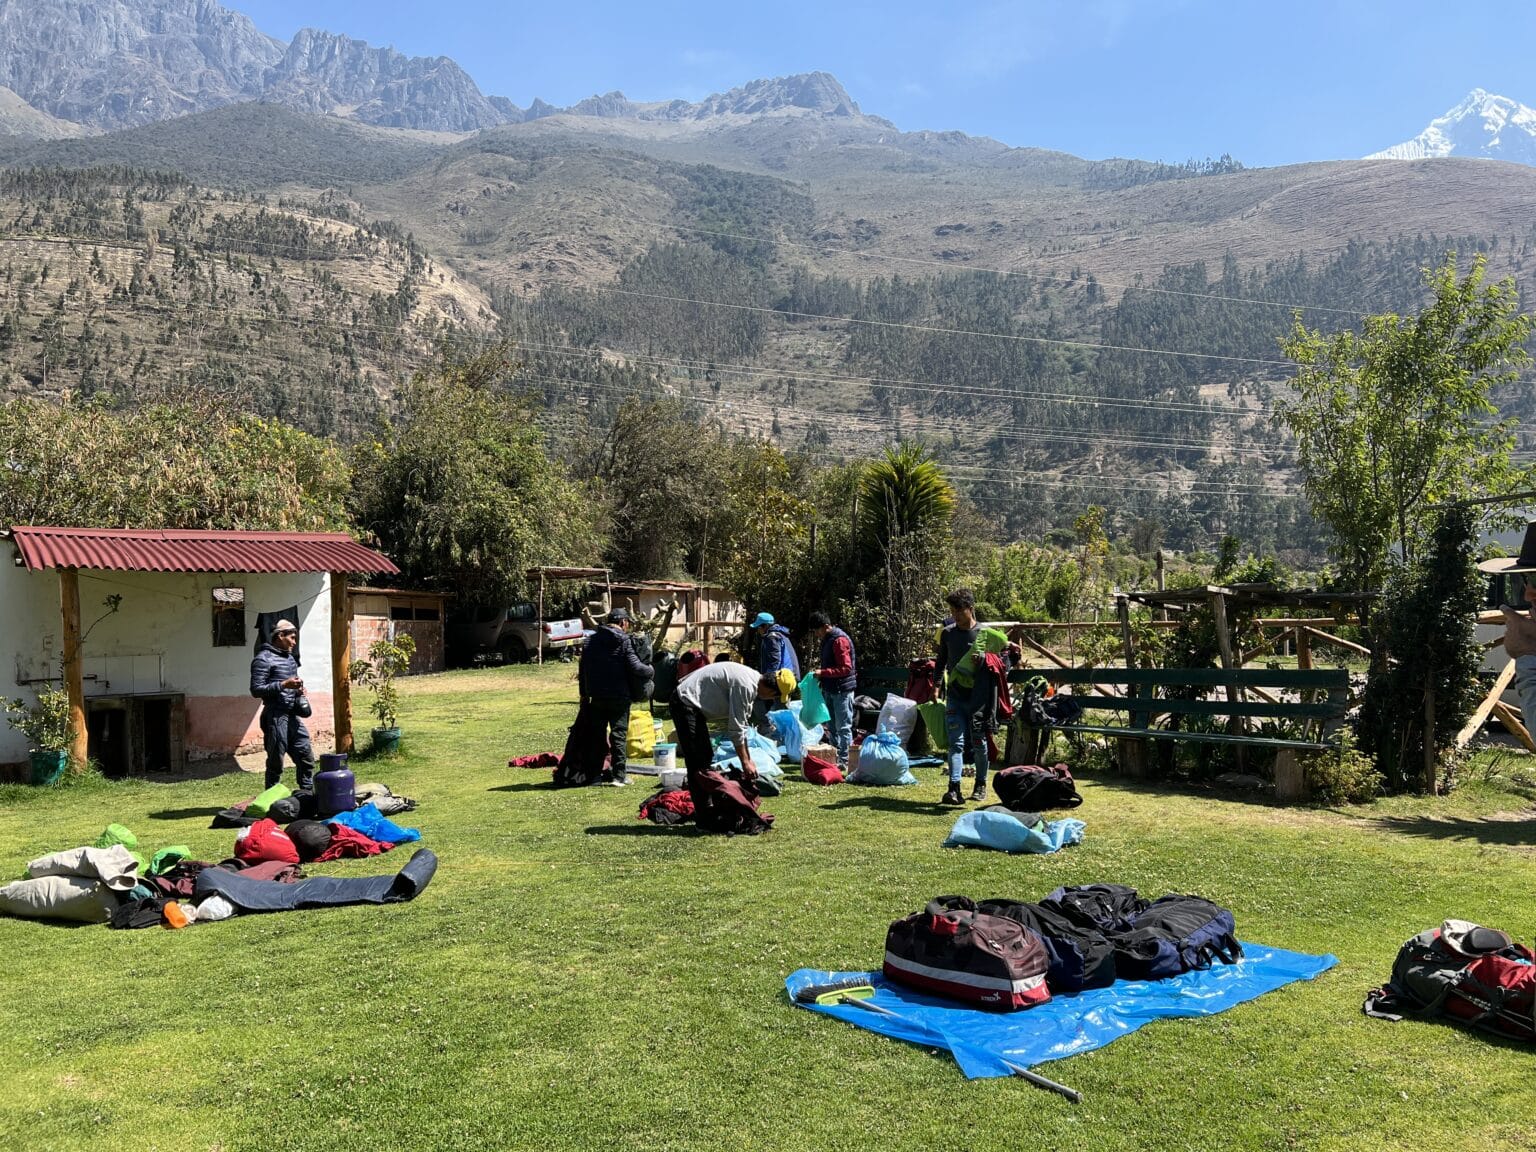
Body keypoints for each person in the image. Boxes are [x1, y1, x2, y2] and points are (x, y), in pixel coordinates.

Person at [577, 607, 654, 787]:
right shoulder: (624, 641)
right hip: (619, 696)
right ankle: (619, 776)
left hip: (596, 696)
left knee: (597, 736)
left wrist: (583, 694)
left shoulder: (590, 641)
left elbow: (583, 670)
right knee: (618, 735)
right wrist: (651, 670)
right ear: (623, 623)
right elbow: (635, 667)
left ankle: (595, 776)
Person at [934, 588, 989, 806]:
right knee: (955, 744)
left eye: (959, 611)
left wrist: (984, 661)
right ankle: (954, 789)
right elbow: (940, 662)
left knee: (979, 744)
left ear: (970, 609)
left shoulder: (985, 634)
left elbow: (1002, 665)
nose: (955, 615)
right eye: (952, 611)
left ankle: (980, 784)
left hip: (978, 700)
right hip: (954, 697)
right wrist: (936, 685)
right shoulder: (948, 633)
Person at [249, 618, 315, 791]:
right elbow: (256, 689)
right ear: (280, 636)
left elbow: (290, 683)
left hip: (291, 714)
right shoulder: (263, 659)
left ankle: (306, 794)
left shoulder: (290, 659)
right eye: (292, 638)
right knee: (276, 760)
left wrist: (299, 691)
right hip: (275, 715)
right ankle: (271, 797)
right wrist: (284, 685)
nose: (294, 642)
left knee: (305, 755)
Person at [808, 610, 857, 773]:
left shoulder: (839, 640)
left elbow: (846, 668)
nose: (816, 634)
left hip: (842, 690)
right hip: (830, 688)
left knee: (843, 727)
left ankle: (845, 760)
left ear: (826, 626)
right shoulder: (828, 639)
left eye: (817, 630)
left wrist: (824, 673)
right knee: (832, 726)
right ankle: (834, 756)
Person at [749, 611, 800, 734]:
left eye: (759, 627)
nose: (758, 630)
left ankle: (769, 727)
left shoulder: (772, 638)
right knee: (781, 707)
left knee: (758, 697)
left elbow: (774, 661)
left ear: (765, 626)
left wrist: (765, 680)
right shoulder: (781, 634)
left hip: (781, 678)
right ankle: (784, 732)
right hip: (788, 676)